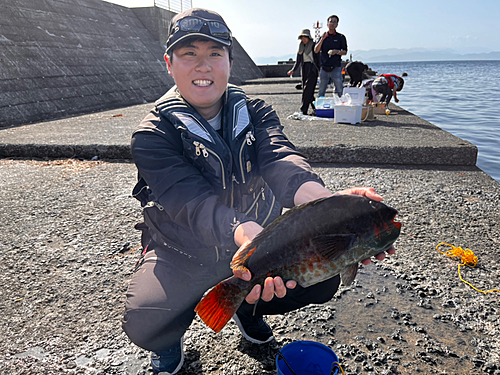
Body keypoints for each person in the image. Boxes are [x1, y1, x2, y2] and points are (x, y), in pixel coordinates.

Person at [122, 8, 395, 375]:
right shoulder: (153, 135)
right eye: (190, 54)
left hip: (258, 243)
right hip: (182, 249)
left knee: (324, 278)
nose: (203, 66)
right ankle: (167, 339)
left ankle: (246, 307)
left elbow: (281, 159)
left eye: (215, 54)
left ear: (229, 63)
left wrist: (324, 204)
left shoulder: (256, 112)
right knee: (145, 317)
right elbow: (192, 203)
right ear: (169, 64)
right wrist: (246, 235)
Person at [287, 29, 319, 115]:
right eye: (302, 37)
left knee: (308, 90)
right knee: (308, 91)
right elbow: (298, 60)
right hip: (304, 68)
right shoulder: (301, 46)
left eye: (305, 37)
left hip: (312, 68)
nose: (303, 39)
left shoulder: (314, 45)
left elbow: (318, 59)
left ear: (308, 37)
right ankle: (316, 108)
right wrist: (293, 70)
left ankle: (303, 110)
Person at [314, 15, 348, 97]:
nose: (332, 24)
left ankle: (342, 107)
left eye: (334, 22)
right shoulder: (323, 37)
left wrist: (337, 52)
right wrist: (322, 39)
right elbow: (316, 50)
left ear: (337, 25)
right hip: (324, 68)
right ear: (327, 24)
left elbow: (345, 51)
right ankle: (320, 108)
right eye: (330, 22)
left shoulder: (341, 37)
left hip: (336, 67)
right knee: (321, 90)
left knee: (340, 89)